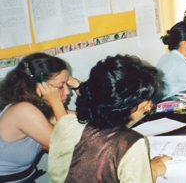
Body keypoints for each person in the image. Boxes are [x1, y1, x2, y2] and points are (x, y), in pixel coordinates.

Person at [48, 55, 171, 183]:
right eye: (146, 99)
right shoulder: (130, 143)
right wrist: (153, 170)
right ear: (127, 105)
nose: (149, 105)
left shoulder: (66, 123)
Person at [0, 53, 79, 182]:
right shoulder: (23, 110)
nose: (67, 91)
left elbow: (88, 115)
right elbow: (65, 145)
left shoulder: (38, 107)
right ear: (40, 88)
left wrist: (77, 85)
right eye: (61, 86)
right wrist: (56, 102)